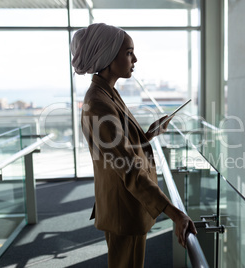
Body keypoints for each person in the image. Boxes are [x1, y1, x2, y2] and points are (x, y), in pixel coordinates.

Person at [71, 23, 197, 267]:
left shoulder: (107, 93)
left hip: (126, 204)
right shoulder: (99, 103)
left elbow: (118, 146)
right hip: (124, 208)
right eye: (128, 52)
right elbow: (128, 170)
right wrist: (176, 214)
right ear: (108, 56)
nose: (134, 59)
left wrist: (149, 134)